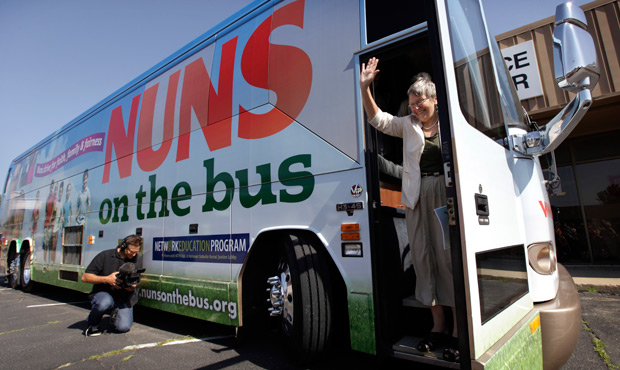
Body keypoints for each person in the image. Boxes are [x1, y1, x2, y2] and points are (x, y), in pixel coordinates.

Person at [360, 57, 458, 361]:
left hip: (444, 193)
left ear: (434, 99)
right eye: (412, 103)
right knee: (422, 257)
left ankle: (458, 331)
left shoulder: (451, 121)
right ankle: (437, 326)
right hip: (416, 196)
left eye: (420, 102)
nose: (415, 108)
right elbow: (379, 120)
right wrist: (366, 88)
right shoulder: (408, 125)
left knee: (447, 259)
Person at [81, 235, 144, 336]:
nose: (133, 255)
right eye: (131, 252)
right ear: (123, 246)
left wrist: (132, 286)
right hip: (105, 292)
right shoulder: (105, 255)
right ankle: (93, 324)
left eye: (136, 252)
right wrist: (106, 279)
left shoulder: (137, 259)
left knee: (123, 327)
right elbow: (85, 277)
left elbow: (136, 280)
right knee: (104, 303)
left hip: (124, 296)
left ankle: (116, 313)